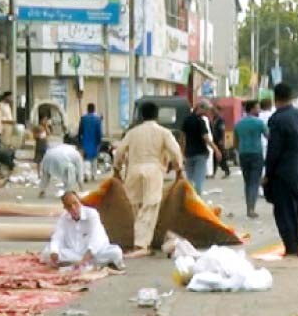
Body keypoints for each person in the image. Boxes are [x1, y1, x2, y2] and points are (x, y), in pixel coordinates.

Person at [114, 101, 183, 257]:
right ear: (156, 115)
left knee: (136, 207)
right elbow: (175, 150)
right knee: (149, 208)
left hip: (133, 170)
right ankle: (141, 245)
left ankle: (141, 241)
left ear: (141, 115)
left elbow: (119, 151)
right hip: (153, 170)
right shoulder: (163, 132)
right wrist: (179, 169)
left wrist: (116, 169)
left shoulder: (132, 132)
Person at [263, 83, 298, 257]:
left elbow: (274, 150)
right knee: (295, 210)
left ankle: (291, 248)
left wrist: (268, 174)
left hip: (282, 171)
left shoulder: (277, 120)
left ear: (275, 98)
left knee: (283, 212)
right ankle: (296, 246)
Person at [42, 191, 124, 270]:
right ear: (65, 208)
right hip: (74, 252)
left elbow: (96, 238)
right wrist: (54, 252)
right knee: (47, 253)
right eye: (69, 206)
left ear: (80, 202)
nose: (73, 208)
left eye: (75, 203)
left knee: (116, 252)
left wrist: (85, 259)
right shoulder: (63, 218)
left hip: (93, 253)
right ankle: (88, 264)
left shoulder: (92, 214)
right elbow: (57, 237)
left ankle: (78, 263)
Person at [234, 100, 268, 218]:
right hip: (256, 154)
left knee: (247, 182)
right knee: (254, 182)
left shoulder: (238, 124)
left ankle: (249, 207)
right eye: (257, 108)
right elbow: (269, 136)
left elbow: (235, 142)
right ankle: (251, 209)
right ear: (252, 109)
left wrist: (238, 154)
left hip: (243, 154)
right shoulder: (259, 123)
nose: (259, 110)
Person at [181, 101, 221, 195]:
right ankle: (197, 198)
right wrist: (216, 149)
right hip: (200, 154)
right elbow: (206, 138)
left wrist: (182, 153)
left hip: (188, 154)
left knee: (190, 178)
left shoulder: (186, 120)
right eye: (206, 110)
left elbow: (182, 138)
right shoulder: (201, 121)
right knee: (199, 178)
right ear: (200, 108)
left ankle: (190, 198)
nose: (207, 112)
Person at [78, 103, 103, 181]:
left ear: (87, 109)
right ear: (94, 109)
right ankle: (94, 175)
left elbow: (80, 131)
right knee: (94, 158)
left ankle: (86, 174)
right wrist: (99, 141)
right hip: (94, 141)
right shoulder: (98, 119)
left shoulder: (83, 118)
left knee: (86, 158)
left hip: (85, 141)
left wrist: (80, 142)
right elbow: (99, 132)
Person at [211, 107, 230, 179]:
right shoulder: (214, 119)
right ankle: (213, 172)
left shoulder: (220, 120)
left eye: (215, 110)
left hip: (219, 140)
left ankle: (226, 171)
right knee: (214, 157)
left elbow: (222, 130)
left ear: (219, 111)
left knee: (221, 156)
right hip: (214, 140)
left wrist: (221, 140)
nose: (213, 112)